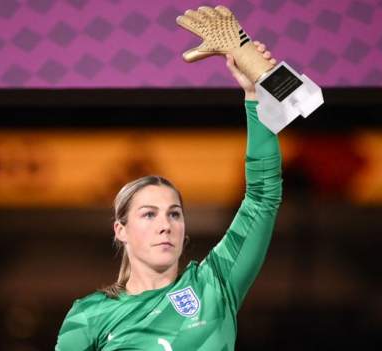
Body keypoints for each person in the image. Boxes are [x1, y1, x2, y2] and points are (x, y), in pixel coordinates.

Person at [56, 42, 282, 351]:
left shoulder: (214, 286)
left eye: (174, 213)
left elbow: (262, 197)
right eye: (149, 214)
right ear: (120, 230)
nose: (166, 225)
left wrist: (256, 96)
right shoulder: (89, 315)